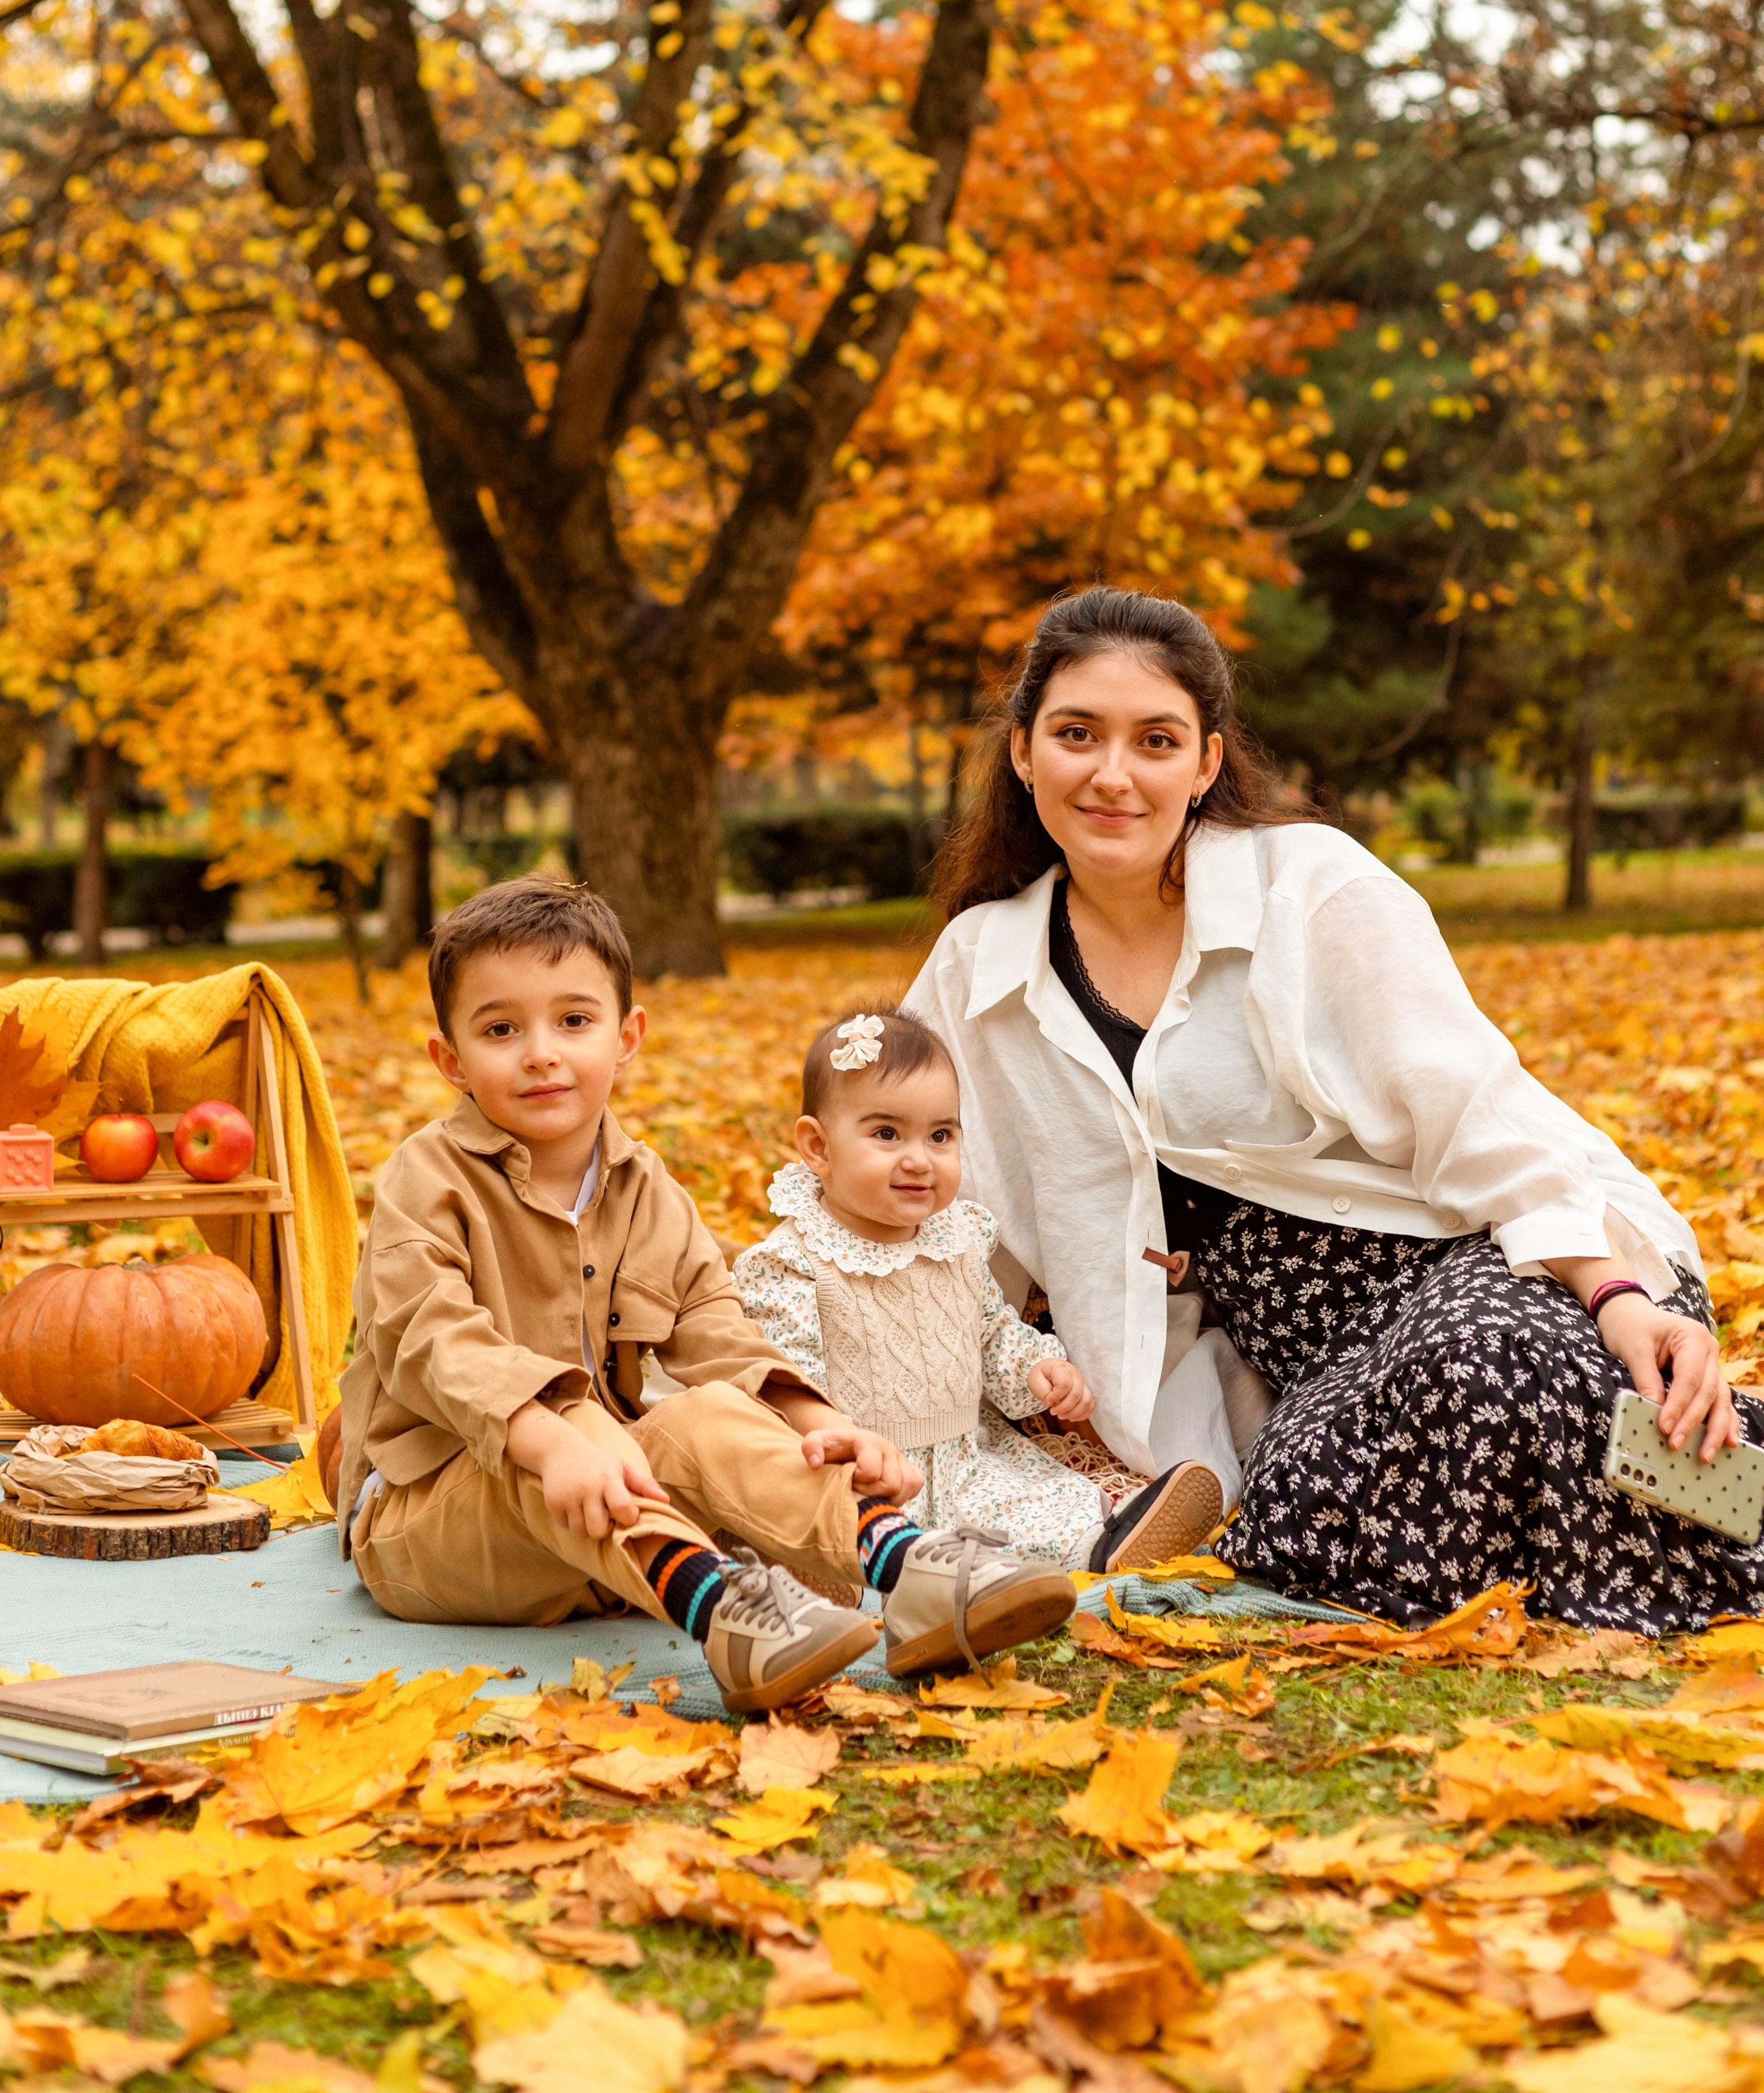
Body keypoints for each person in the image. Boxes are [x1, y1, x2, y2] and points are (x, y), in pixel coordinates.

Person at [906, 587, 1764, 1632]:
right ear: (1026, 752)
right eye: (1077, 734)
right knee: (1300, 1508)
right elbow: (923, 1204)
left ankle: (1718, 1519)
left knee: (1493, 1366)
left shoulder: (1306, 888)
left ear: (1207, 764)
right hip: (1293, 1350)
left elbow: (1477, 1116)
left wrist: (1622, 1296)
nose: (1114, 774)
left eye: (1157, 740)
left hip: (1468, 1251)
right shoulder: (977, 968)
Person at [334, 876, 1077, 1705]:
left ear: (626, 1036)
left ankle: (904, 1566)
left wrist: (828, 1425)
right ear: (451, 1061)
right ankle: (730, 1616)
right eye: (501, 1029)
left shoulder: (644, 1186)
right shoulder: (425, 1181)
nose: (541, 1051)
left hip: (615, 1515)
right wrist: (555, 1440)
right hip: (435, 1527)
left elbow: (715, 1330)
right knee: (574, 1417)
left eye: (573, 1021)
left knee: (706, 1413)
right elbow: (432, 1342)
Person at [734, 1005, 1219, 1584]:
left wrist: (1037, 1369)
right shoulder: (793, 1262)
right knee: (862, 1538)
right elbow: (786, 1387)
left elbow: (990, 1332)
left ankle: (1104, 1544)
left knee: (1042, 1510)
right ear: (818, 1147)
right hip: (862, 1479)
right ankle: (860, 1572)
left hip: (966, 1463)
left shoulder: (957, 1238)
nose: (919, 1158)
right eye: (886, 1133)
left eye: (941, 1135)